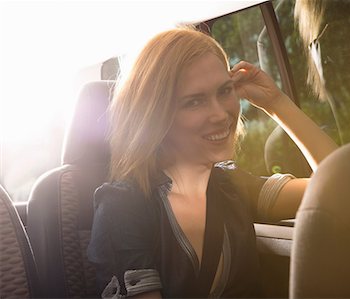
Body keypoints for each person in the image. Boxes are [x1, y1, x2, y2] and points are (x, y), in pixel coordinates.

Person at [87, 27, 337, 298]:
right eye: (195, 102)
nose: (220, 114)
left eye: (224, 91)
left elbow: (339, 187)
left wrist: (277, 103)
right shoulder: (122, 208)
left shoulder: (232, 185)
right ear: (155, 115)